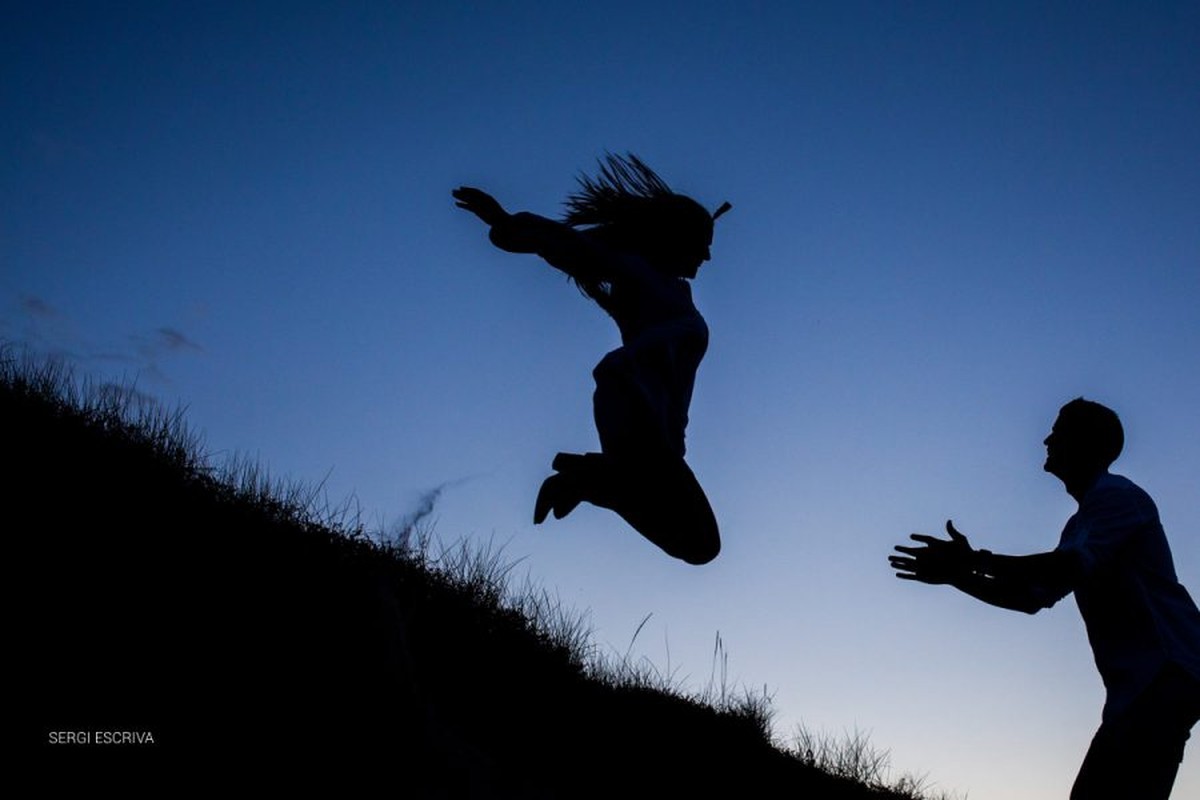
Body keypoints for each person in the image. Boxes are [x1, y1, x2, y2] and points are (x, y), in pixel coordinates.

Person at [889, 398, 1200, 799]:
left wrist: (973, 561)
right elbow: (1031, 597)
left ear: (1090, 443)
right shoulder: (1083, 521)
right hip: (1147, 684)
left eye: (1060, 429)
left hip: (1167, 672)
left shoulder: (1119, 496)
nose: (1047, 438)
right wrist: (958, 576)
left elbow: (1063, 568)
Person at [453, 153, 731, 565]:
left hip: (651, 428)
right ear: (675, 238)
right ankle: (591, 481)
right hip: (631, 407)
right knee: (701, 544)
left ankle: (592, 481)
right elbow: (570, 246)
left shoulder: (672, 292)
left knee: (698, 544)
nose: (708, 256)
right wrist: (506, 223)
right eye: (703, 244)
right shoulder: (637, 274)